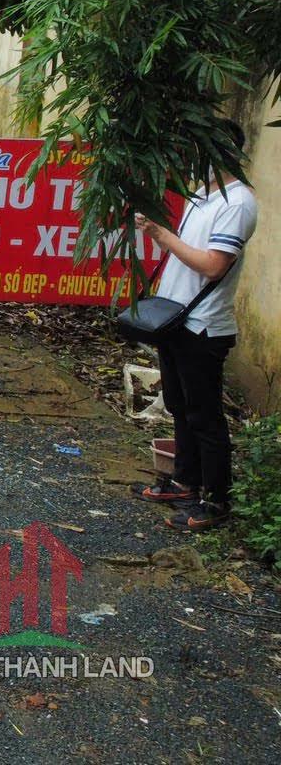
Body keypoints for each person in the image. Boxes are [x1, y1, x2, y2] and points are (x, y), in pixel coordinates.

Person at [133, 121, 258, 531]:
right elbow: (188, 255)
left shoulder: (237, 203)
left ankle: (216, 500)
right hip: (175, 318)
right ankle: (184, 482)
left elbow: (213, 265)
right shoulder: (202, 196)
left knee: (205, 416)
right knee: (179, 405)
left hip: (203, 327)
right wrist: (159, 234)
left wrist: (163, 235)